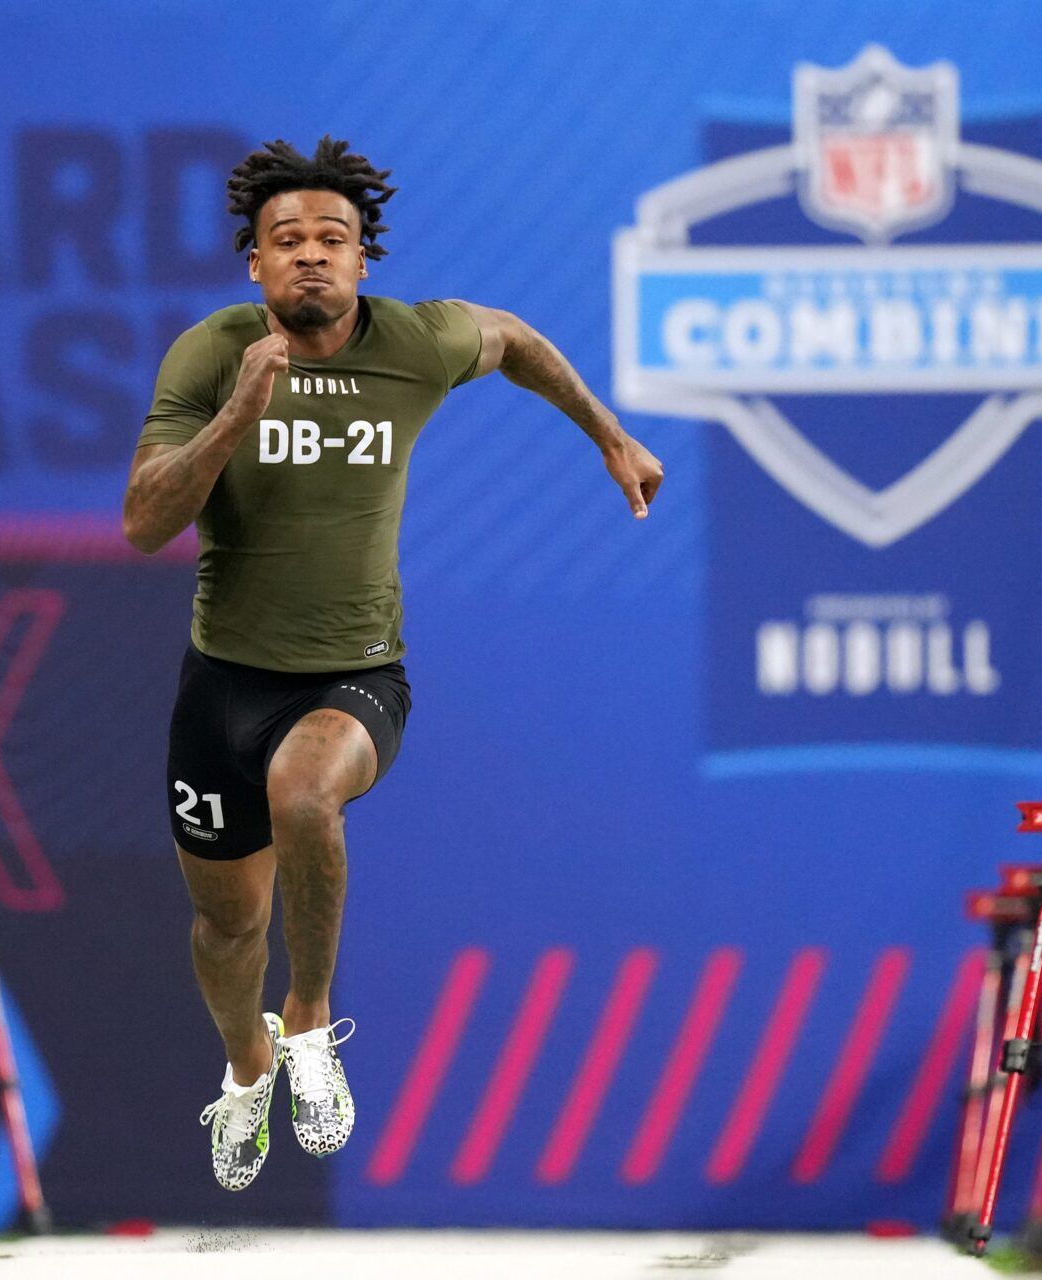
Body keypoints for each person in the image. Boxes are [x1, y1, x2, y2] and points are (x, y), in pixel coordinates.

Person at [121, 136, 663, 1190]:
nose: (312, 255)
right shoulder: (209, 352)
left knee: (305, 795)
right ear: (256, 265)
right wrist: (239, 409)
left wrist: (608, 434)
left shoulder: (415, 341)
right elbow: (145, 521)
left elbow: (509, 338)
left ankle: (311, 1019)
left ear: (364, 259)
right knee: (226, 928)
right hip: (222, 681)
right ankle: (248, 1067)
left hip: (355, 674)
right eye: (288, 241)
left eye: (334, 238)